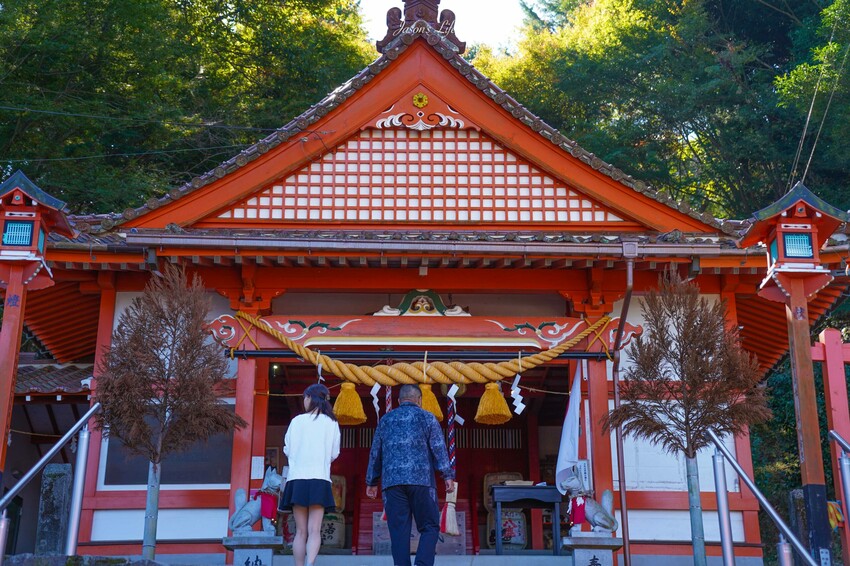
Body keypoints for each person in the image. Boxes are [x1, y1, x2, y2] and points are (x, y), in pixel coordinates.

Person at [366, 383, 456, 566]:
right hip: (421, 481)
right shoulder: (428, 418)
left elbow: (376, 452)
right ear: (419, 400)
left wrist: (372, 481)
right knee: (430, 526)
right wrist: (447, 475)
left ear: (399, 401)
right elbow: (439, 448)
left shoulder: (386, 420)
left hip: (392, 483)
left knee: (398, 531)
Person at [279, 383, 341, 566]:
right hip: (319, 479)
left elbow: (287, 449)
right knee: (314, 530)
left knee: (300, 531)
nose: (304, 401)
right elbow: (334, 453)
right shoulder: (331, 423)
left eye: (305, 397)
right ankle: (309, 564)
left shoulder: (297, 421)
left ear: (311, 398)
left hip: (297, 479)